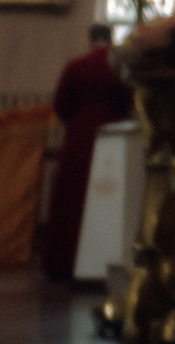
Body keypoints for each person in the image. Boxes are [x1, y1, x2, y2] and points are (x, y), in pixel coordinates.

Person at [41, 21, 130, 284]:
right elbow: (126, 103)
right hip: (110, 135)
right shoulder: (118, 67)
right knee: (108, 198)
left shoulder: (75, 66)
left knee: (72, 198)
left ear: (91, 40)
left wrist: (76, 120)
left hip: (79, 137)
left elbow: (61, 106)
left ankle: (63, 262)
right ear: (111, 40)